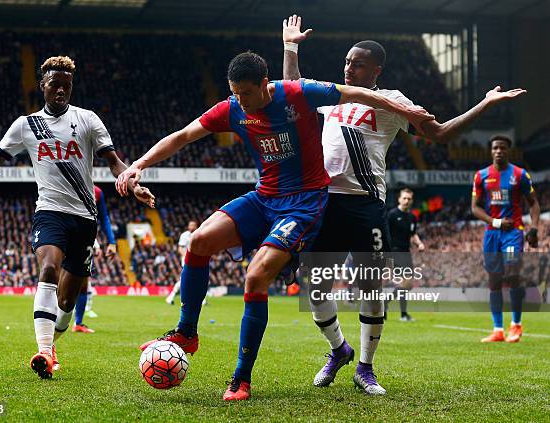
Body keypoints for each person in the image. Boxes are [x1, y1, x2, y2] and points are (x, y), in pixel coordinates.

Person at [116, 51, 433, 401]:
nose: (241, 102)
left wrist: (406, 111)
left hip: (304, 205)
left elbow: (359, 93)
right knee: (199, 241)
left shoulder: (298, 94)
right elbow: (183, 136)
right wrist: (138, 165)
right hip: (264, 198)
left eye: (246, 94)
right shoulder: (233, 108)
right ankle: (186, 333)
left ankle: (241, 378)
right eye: (235, 93)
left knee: (255, 277)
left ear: (265, 85)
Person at [281, 14, 527, 395]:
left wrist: (485, 103)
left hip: (366, 206)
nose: (348, 67)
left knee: (371, 287)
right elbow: (292, 89)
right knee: (313, 285)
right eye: (346, 61)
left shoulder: (392, 101)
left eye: (357, 63)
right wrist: (291, 46)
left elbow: (441, 134)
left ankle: (365, 367)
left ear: (376, 69)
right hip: (325, 203)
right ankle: (338, 350)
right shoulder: (331, 94)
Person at [0, 56, 154, 379]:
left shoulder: (87, 120)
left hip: (84, 218)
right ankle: (43, 351)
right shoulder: (26, 125)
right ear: (42, 85)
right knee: (48, 267)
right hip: (50, 211)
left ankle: (51, 344)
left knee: (67, 303)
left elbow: (114, 162)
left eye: (66, 86)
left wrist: (133, 182)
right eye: (55, 84)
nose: (60, 91)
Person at [472, 135, 540, 343]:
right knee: (494, 281)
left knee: (511, 275)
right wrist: (496, 222)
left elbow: (534, 204)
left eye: (502, 148)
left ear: (508, 151)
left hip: (513, 233)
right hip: (492, 233)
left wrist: (534, 228)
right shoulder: (481, 175)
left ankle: (516, 326)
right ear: (491, 151)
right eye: (495, 148)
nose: (499, 151)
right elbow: (474, 208)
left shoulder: (520, 174)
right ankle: (498, 329)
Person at [72, 185, 118, 333]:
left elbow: (103, 217)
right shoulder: (66, 182)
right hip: (64, 234)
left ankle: (78, 322)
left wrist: (111, 241)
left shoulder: (97, 192)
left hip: (86, 239)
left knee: (83, 282)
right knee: (56, 278)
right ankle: (51, 320)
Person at [386, 188, 424, 322]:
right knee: (405, 282)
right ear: (399, 199)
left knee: (408, 285)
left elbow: (413, 234)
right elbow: (386, 234)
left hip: (406, 252)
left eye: (409, 199)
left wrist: (419, 243)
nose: (407, 201)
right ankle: (403, 314)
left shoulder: (412, 217)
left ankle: (385, 303)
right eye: (404, 198)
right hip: (394, 252)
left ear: (412, 200)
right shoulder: (391, 214)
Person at [166, 220, 200, 305]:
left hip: (197, 260)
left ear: (196, 226)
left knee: (196, 279)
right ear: (188, 227)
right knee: (186, 279)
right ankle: (171, 297)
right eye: (191, 225)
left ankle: (201, 300)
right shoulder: (185, 235)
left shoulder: (199, 235)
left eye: (194, 225)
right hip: (187, 261)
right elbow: (180, 249)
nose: (192, 227)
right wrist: (187, 257)